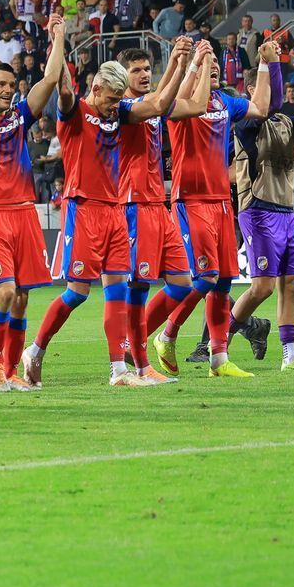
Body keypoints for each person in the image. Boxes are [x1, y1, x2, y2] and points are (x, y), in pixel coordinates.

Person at [20, 40, 188, 389]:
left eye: (118, 100)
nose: (115, 108)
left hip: (114, 213)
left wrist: (176, 62)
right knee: (78, 293)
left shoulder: (120, 112)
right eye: (111, 99)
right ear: (95, 89)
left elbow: (157, 104)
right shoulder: (75, 111)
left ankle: (118, 371)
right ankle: (35, 349)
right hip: (82, 209)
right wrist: (57, 38)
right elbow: (61, 83)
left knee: (117, 293)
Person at [0, 13, 67, 392]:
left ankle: (11, 369)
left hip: (24, 211)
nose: (8, 89)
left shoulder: (19, 117)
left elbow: (51, 79)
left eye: (12, 84)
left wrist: (58, 36)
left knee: (21, 298)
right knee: (3, 291)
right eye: (1, 84)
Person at [145, 41, 266, 378]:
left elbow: (262, 107)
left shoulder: (225, 102)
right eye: (207, 65)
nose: (213, 67)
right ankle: (165, 334)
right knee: (204, 278)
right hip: (191, 200)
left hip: (221, 202)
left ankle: (218, 359)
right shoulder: (181, 105)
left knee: (224, 281)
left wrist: (267, 65)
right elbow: (186, 97)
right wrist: (195, 61)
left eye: (216, 65)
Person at [226, 46, 294, 371]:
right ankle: (218, 345)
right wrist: (270, 62)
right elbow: (273, 102)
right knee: (262, 287)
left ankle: (291, 355)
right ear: (252, 91)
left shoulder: (285, 122)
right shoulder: (245, 120)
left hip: (286, 211)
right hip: (257, 209)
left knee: (290, 284)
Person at [112, 42, 196, 384]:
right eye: (137, 70)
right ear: (123, 76)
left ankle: (139, 343)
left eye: (148, 69)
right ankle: (140, 364)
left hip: (157, 204)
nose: (144, 74)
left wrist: (187, 65)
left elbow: (182, 103)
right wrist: (177, 61)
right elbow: (160, 103)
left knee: (182, 283)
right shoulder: (123, 107)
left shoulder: (151, 104)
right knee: (138, 286)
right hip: (133, 203)